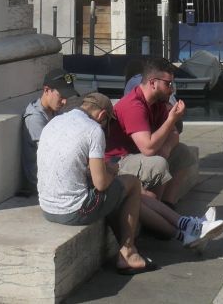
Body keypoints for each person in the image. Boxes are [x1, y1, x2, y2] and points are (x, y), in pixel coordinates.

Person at [35, 94, 150, 274]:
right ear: (102, 115)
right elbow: (101, 183)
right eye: (106, 123)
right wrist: (113, 172)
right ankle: (128, 253)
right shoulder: (93, 129)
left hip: (47, 208)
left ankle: (124, 248)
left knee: (112, 190)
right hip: (72, 211)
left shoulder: (54, 122)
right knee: (132, 184)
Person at [109, 58, 201, 208]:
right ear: (153, 83)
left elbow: (174, 134)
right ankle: (156, 209)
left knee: (183, 153)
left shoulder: (157, 103)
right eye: (168, 84)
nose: (172, 89)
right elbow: (148, 148)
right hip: (118, 162)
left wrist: (166, 148)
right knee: (158, 163)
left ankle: (168, 205)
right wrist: (172, 119)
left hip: (138, 155)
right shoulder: (134, 106)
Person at [19, 69, 77, 197]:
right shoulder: (35, 119)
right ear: (46, 90)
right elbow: (53, 155)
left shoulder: (55, 111)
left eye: (66, 97)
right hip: (44, 183)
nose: (64, 102)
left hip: (57, 176)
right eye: (61, 96)